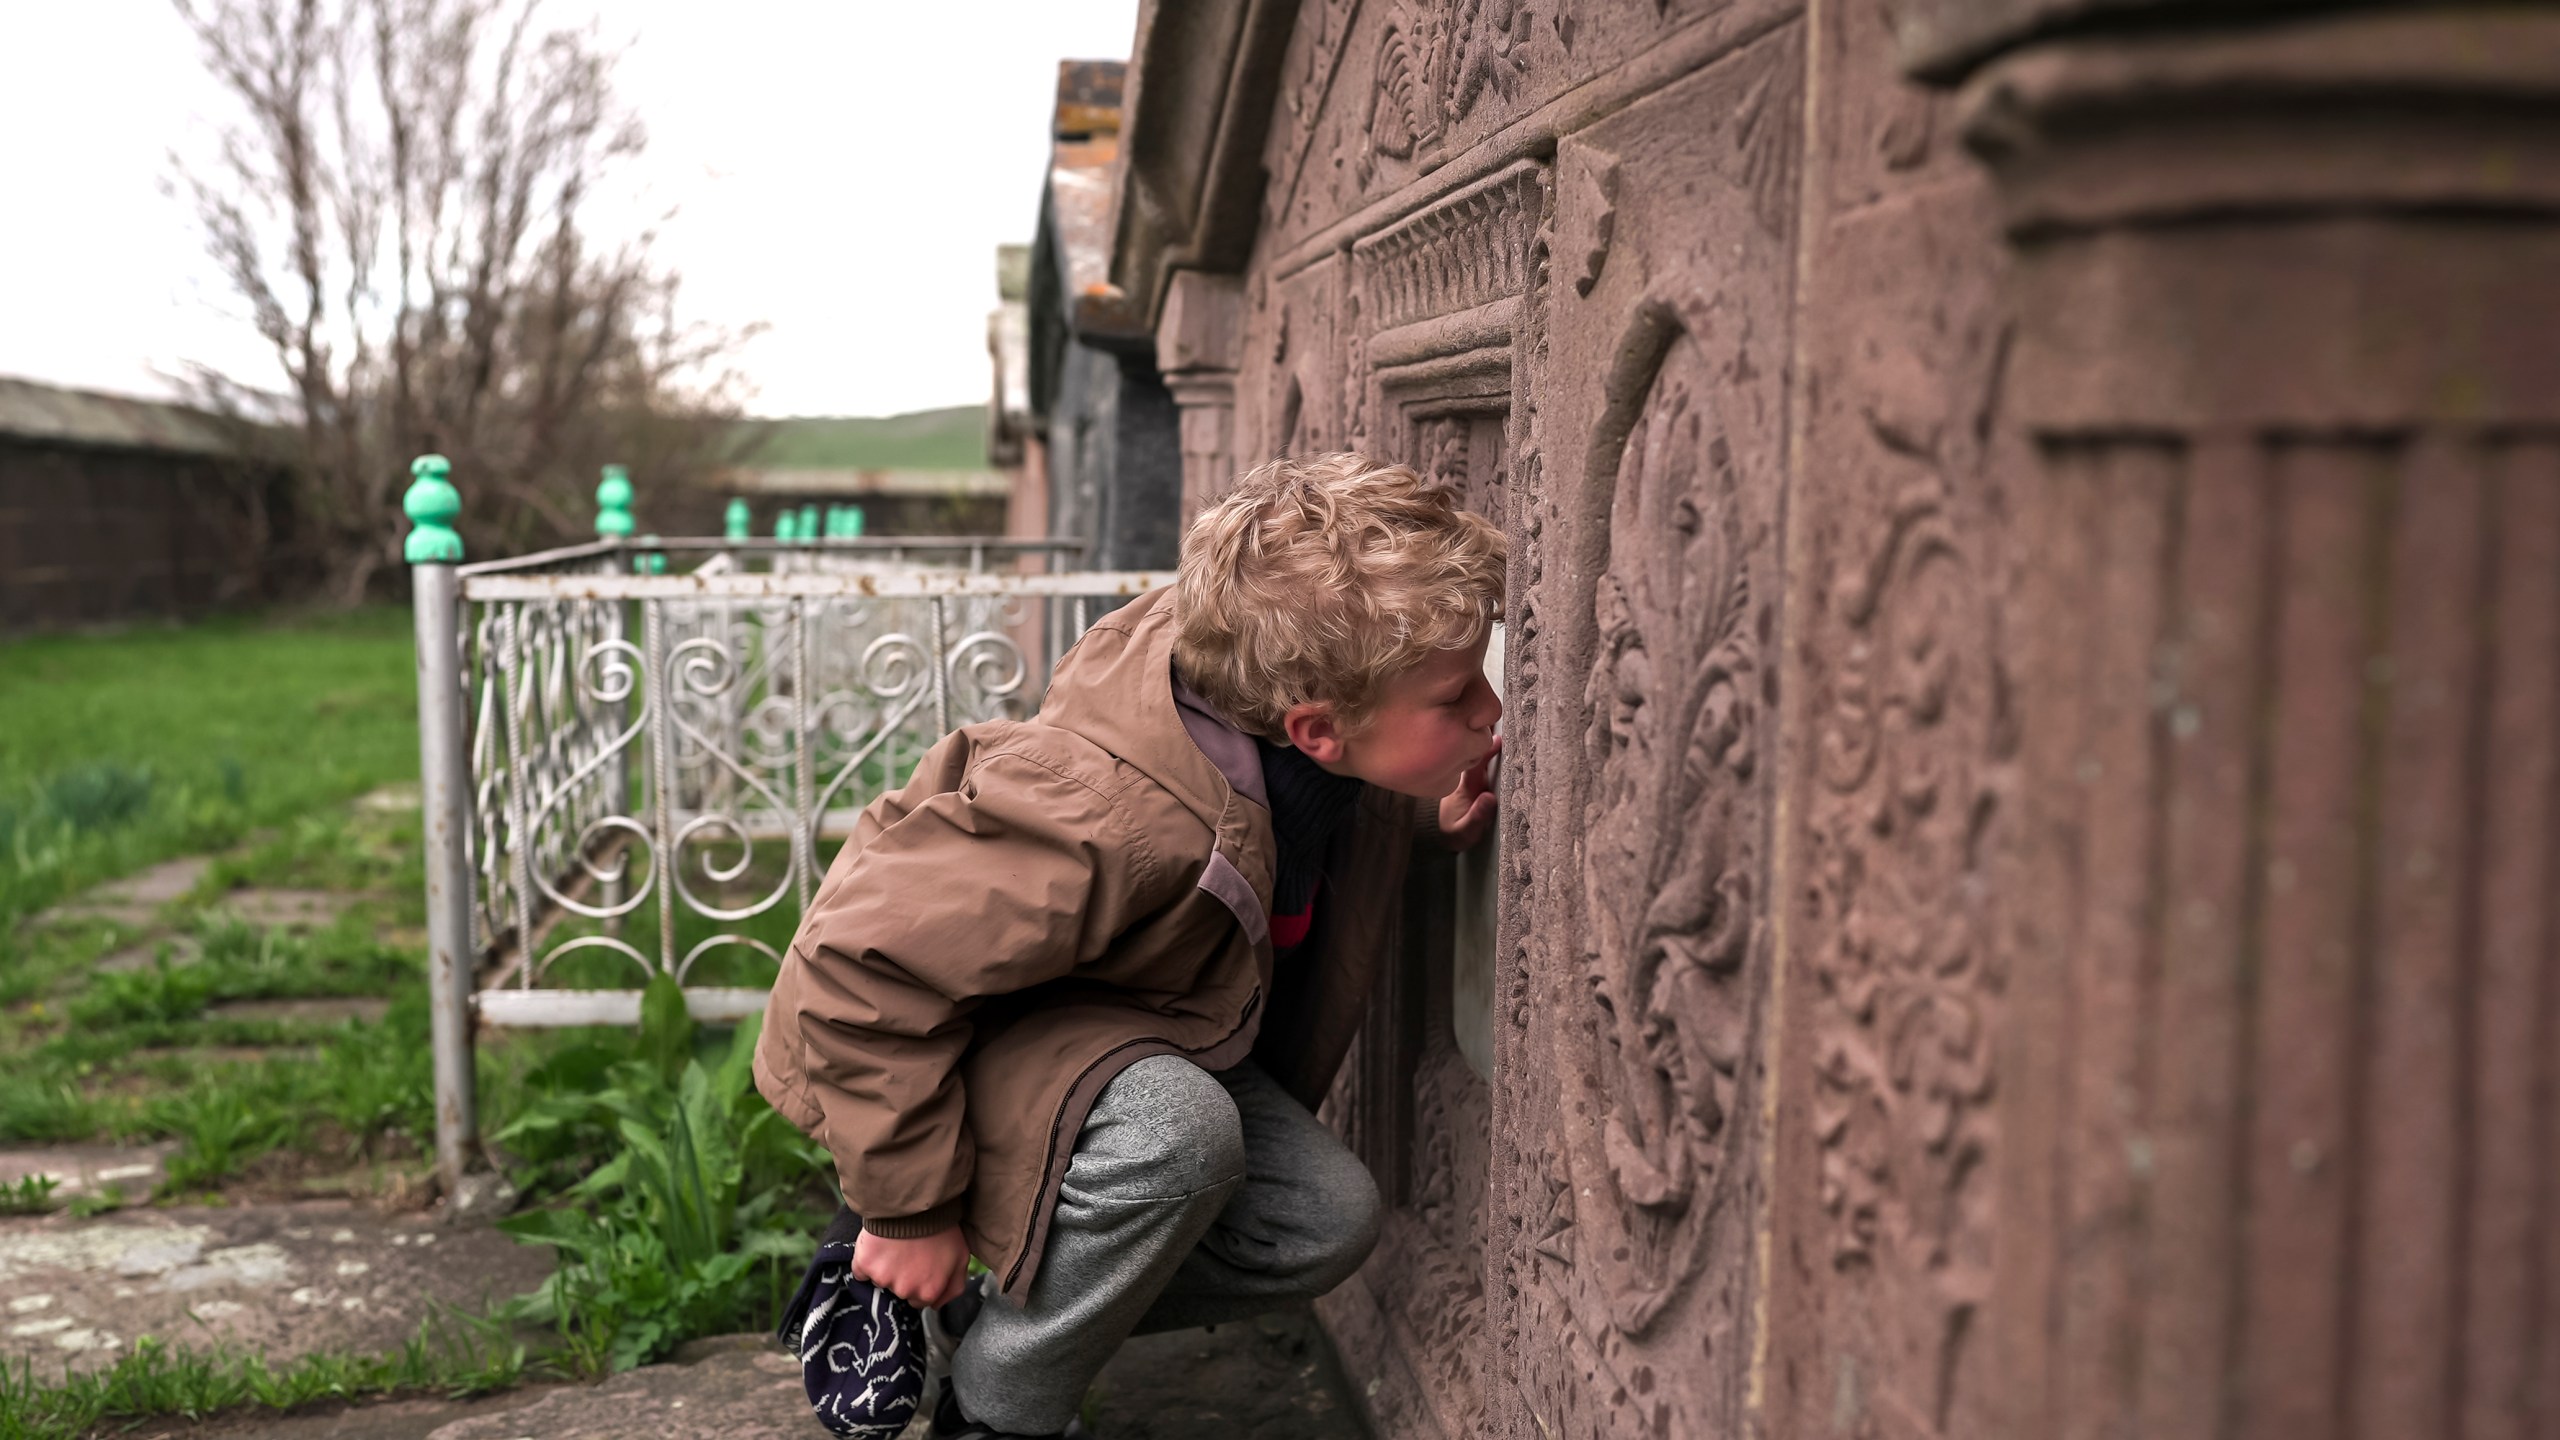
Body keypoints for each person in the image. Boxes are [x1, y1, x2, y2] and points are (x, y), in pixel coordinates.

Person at [756, 453, 1506, 1439]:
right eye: (1458, 698)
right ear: (1315, 728)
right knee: (1178, 1140)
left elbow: (1286, 840)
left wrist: (1419, 828)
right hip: (967, 1043)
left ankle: (994, 1322)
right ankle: (993, 1405)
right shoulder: (1106, 815)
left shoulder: (1280, 697)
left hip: (1133, 1029)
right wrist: (909, 1212)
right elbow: (857, 970)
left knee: (1320, 1221)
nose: (1490, 713)